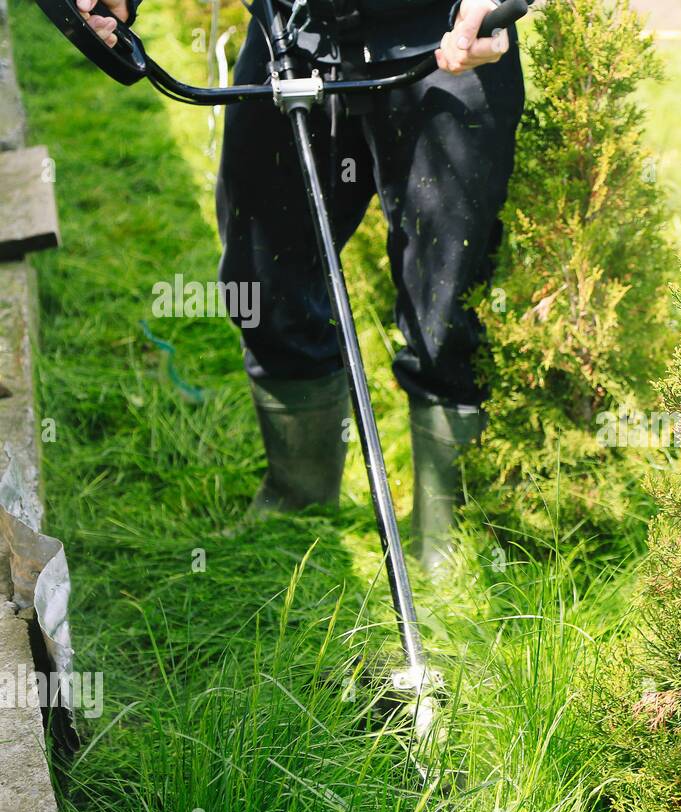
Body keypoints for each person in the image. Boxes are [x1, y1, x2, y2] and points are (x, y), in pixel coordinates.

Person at [75, 0, 527, 576]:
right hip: (290, 36)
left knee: (447, 305)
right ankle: (299, 500)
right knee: (262, 284)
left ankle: (444, 533)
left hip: (443, 44)